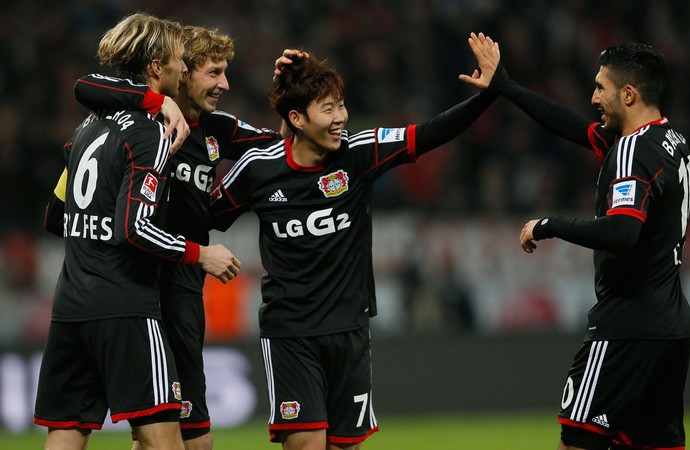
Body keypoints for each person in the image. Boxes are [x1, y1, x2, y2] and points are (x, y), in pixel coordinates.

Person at [209, 35, 499, 449]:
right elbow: (203, 216)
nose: (341, 117)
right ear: (297, 118)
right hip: (291, 333)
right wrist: (192, 251)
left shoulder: (358, 153)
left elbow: (430, 134)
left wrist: (486, 96)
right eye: (327, 108)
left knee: (344, 446)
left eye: (341, 104)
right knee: (306, 444)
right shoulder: (258, 168)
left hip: (349, 330)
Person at [70, 26, 304, 450]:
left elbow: (285, 147)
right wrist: (156, 101)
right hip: (138, 290)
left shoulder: (218, 128)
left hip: (183, 295)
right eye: (213, 73)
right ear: (183, 72)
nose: (224, 84)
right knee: (162, 436)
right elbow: (86, 86)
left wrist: (290, 93)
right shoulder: (142, 123)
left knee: (188, 440)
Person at [35, 13, 241, 450]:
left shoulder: (87, 127)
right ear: (155, 68)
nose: (183, 70)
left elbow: (56, 216)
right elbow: (135, 229)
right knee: (162, 436)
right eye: (179, 61)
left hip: (71, 301)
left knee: (67, 431)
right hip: (125, 301)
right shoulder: (153, 132)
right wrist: (200, 254)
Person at [475, 33, 690, 449]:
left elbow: (622, 231)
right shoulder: (671, 143)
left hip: (625, 327)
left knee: (578, 440)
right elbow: (572, 127)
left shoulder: (632, 150)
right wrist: (506, 85)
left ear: (628, 95)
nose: (593, 97)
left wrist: (549, 224)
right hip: (669, 330)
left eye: (600, 88)